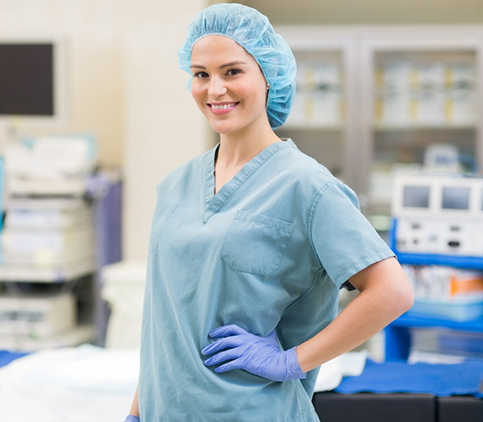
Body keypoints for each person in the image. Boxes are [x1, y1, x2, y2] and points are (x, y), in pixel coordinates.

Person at [124, 3, 414, 421]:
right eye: (201, 74)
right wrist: (137, 410)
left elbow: (392, 291)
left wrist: (290, 361)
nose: (215, 89)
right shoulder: (176, 185)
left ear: (268, 76)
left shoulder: (306, 185)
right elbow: (165, 321)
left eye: (233, 72)